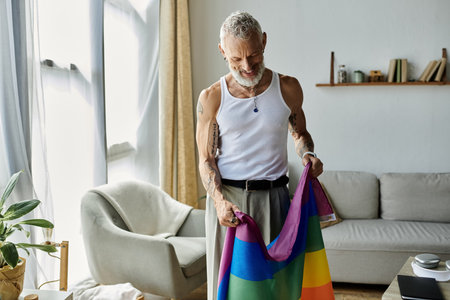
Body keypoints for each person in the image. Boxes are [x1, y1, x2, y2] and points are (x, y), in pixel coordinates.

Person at [195, 11, 323, 300]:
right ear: (222, 51)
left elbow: (300, 134)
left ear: (264, 42)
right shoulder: (212, 97)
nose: (247, 66)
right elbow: (206, 160)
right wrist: (217, 202)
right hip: (229, 202)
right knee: (228, 290)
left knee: (274, 288)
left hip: (275, 199)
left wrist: (308, 154)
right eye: (236, 59)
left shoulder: (288, 87)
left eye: (253, 55)